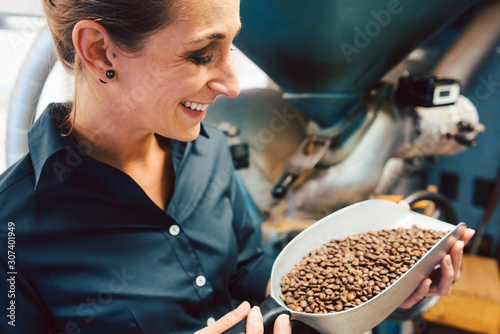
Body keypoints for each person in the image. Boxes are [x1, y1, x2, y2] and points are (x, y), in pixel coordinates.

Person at [0, 0, 474, 333]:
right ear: (102, 51)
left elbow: (247, 267)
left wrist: (374, 294)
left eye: (232, 47)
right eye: (202, 55)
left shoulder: (208, 149)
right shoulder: (14, 230)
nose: (230, 83)